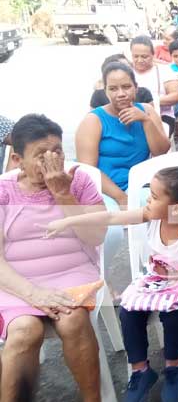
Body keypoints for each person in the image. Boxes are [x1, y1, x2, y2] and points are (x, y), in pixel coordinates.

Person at [45, 166, 178, 402]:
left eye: (154, 196)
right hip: (159, 276)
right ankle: (141, 370)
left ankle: (173, 369)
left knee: (173, 314)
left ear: (176, 208)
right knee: (129, 311)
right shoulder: (151, 215)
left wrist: (174, 275)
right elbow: (111, 217)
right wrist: (69, 221)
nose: (147, 199)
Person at [0, 114, 106, 402]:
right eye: (40, 155)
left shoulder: (79, 180)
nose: (51, 159)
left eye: (56, 150)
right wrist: (34, 293)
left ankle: (92, 399)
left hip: (72, 272)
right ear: (18, 159)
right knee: (23, 331)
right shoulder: (3, 190)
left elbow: (96, 236)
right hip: (17, 282)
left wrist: (63, 193)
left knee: (73, 320)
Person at [76, 62, 171, 206]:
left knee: (176, 211)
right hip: (105, 191)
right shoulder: (93, 121)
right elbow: (88, 170)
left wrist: (146, 121)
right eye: (113, 89)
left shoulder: (147, 111)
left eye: (126, 87)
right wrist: (121, 198)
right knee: (114, 223)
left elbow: (161, 151)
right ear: (105, 91)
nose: (121, 94)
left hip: (143, 187)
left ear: (136, 87)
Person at [130, 35, 178, 135]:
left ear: (153, 55)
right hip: (130, 115)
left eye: (144, 56)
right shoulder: (125, 71)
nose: (139, 60)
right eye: (135, 56)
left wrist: (151, 102)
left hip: (161, 116)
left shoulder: (164, 71)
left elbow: (176, 96)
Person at [89, 53, 154, 110]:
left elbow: (153, 121)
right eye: (112, 89)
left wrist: (144, 118)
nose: (121, 94)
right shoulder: (98, 95)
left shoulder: (144, 93)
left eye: (129, 66)